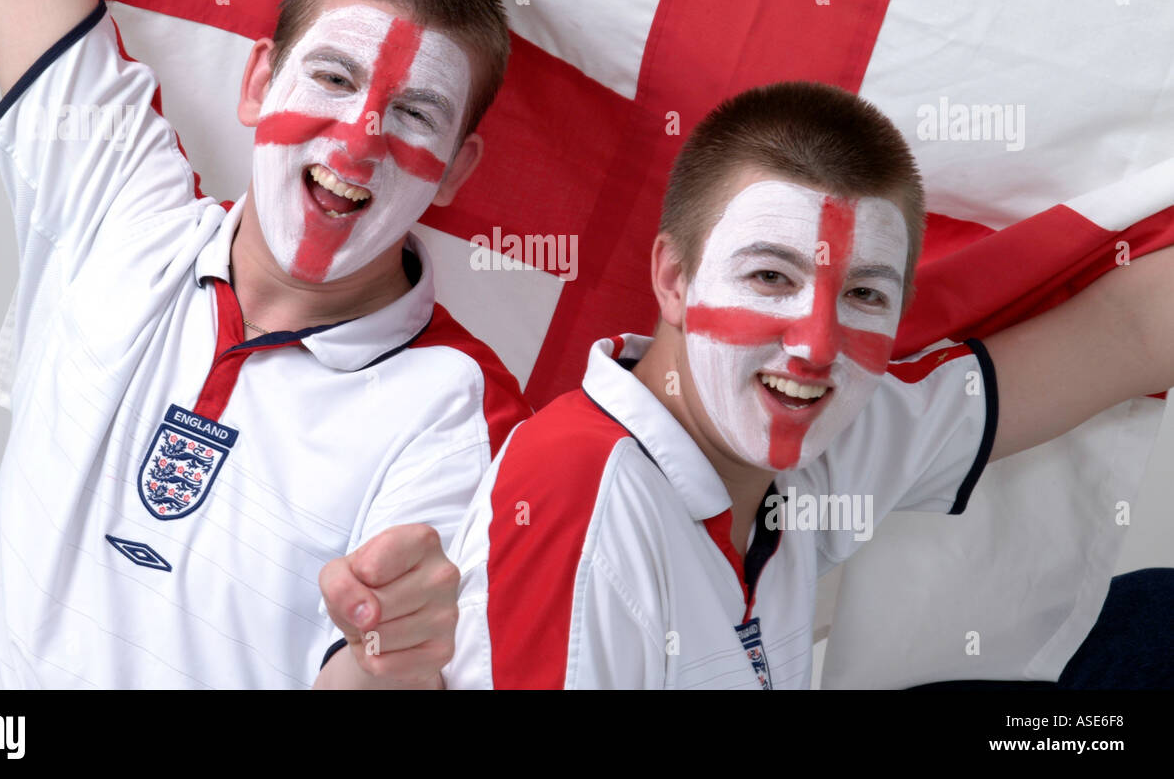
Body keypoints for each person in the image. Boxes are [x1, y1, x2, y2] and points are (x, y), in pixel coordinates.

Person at [0, 0, 529, 689]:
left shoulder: (458, 413)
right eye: (333, 77)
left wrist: (384, 656)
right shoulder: (118, 205)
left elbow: (371, 673)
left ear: (455, 169)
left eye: (416, 114)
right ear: (259, 82)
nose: (358, 141)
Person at [443, 81, 1174, 689]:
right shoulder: (579, 492)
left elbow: (1129, 334)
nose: (817, 347)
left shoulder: (816, 438)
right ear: (673, 278)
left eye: (864, 295)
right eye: (770, 276)